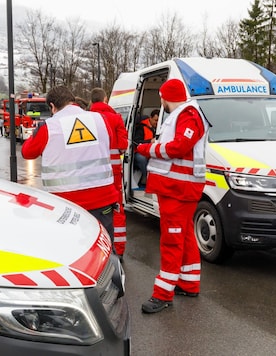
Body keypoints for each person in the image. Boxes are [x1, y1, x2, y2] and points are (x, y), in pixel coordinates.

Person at [135, 78, 209, 314]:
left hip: (179, 189)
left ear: (164, 97)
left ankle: (163, 294)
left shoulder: (187, 114)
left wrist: (148, 148)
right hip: (178, 188)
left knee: (172, 239)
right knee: (184, 235)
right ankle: (188, 282)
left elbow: (178, 147)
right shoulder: (185, 114)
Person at [21, 86, 119, 244]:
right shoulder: (101, 119)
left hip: (66, 204)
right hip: (102, 199)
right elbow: (110, 143)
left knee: (72, 250)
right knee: (103, 248)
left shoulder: (49, 127)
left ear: (52, 106)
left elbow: (27, 152)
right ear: (73, 100)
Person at [88, 87, 129, 260]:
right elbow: (123, 145)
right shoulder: (115, 118)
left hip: (92, 171)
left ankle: (95, 250)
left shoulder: (85, 119)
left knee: (95, 208)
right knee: (116, 209)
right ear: (105, 99)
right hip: (113, 172)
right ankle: (117, 250)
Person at [133, 109, 159, 187]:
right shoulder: (141, 128)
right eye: (155, 120)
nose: (157, 123)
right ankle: (148, 178)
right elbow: (136, 141)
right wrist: (150, 141)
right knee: (141, 158)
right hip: (140, 151)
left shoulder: (159, 128)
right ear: (150, 118)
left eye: (158, 120)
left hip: (152, 151)